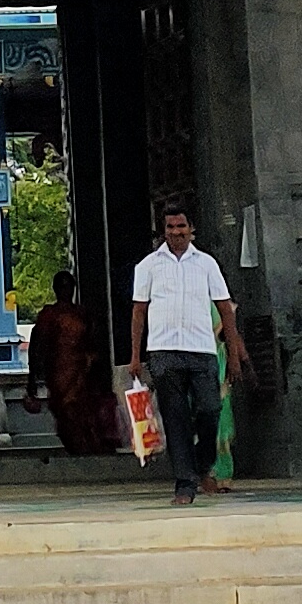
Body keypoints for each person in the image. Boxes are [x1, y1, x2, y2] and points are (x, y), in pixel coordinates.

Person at [127, 200, 243, 506]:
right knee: (175, 418)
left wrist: (233, 355)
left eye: (181, 226)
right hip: (164, 353)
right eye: (170, 227)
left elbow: (225, 310)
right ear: (163, 230)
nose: (176, 232)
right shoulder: (148, 266)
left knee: (210, 409)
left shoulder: (207, 264)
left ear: (191, 229)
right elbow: (139, 312)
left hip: (201, 350)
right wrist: (136, 356)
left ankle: (203, 463)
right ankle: (185, 484)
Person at [27, 271, 115, 458]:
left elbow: (94, 343)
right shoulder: (49, 315)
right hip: (58, 372)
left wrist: (93, 364)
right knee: (65, 411)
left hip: (81, 372)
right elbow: (37, 345)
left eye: (69, 287)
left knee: (82, 411)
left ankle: (87, 447)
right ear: (56, 290)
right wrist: (32, 378)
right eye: (63, 287)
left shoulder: (81, 314)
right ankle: (78, 448)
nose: (66, 291)